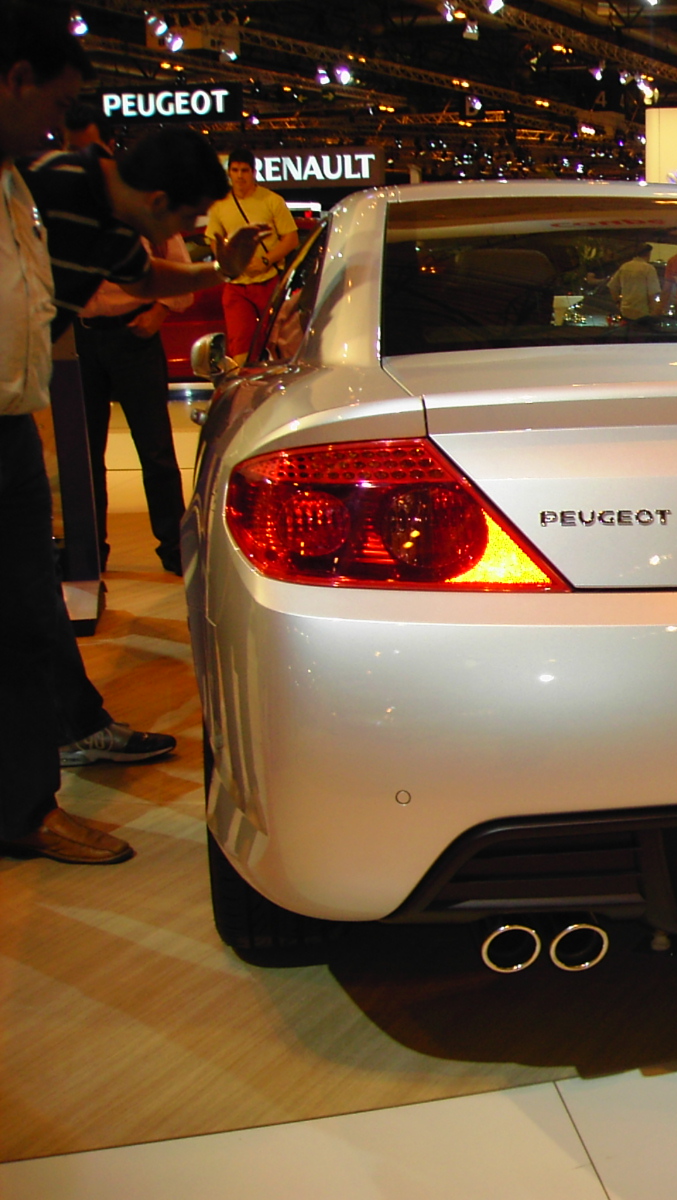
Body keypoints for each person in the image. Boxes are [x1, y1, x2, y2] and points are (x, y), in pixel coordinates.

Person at [0, 7, 169, 864]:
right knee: (25, 620)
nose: (60, 127)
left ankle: (26, 806)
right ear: (16, 80)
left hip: (9, 428)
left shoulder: (17, 186)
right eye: (58, 105)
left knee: (29, 621)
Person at [62, 105, 191, 575]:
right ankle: (88, 552)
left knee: (155, 450)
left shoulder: (138, 199)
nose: (78, 158)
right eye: (69, 148)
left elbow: (178, 268)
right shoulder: (61, 204)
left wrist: (157, 313)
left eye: (86, 147)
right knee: (84, 455)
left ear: (109, 146)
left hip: (134, 335)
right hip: (81, 342)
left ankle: (175, 548)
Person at [205, 149, 298, 360]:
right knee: (240, 344)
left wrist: (266, 260)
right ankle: (244, 379)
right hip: (236, 285)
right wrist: (229, 263)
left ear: (254, 172)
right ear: (229, 172)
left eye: (245, 170)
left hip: (269, 282)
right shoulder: (220, 205)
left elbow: (291, 239)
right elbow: (213, 239)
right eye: (235, 170)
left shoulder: (272, 200)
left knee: (279, 340)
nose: (240, 176)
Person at [607, 243, 660, 321]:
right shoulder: (648, 269)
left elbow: (612, 287)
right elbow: (652, 294)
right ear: (648, 254)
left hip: (625, 311)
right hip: (642, 312)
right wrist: (654, 312)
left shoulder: (625, 266)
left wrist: (618, 302)